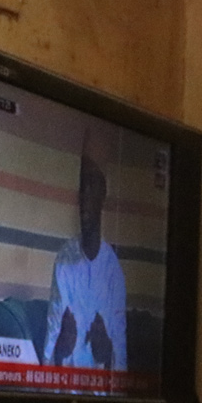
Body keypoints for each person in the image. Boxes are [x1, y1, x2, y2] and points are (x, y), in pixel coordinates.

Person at [44, 140, 128, 371]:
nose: (84, 200)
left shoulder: (113, 270)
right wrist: (61, 350)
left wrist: (107, 351)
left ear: (103, 196)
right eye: (82, 190)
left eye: (91, 188)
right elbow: (49, 349)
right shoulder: (64, 259)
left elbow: (121, 364)